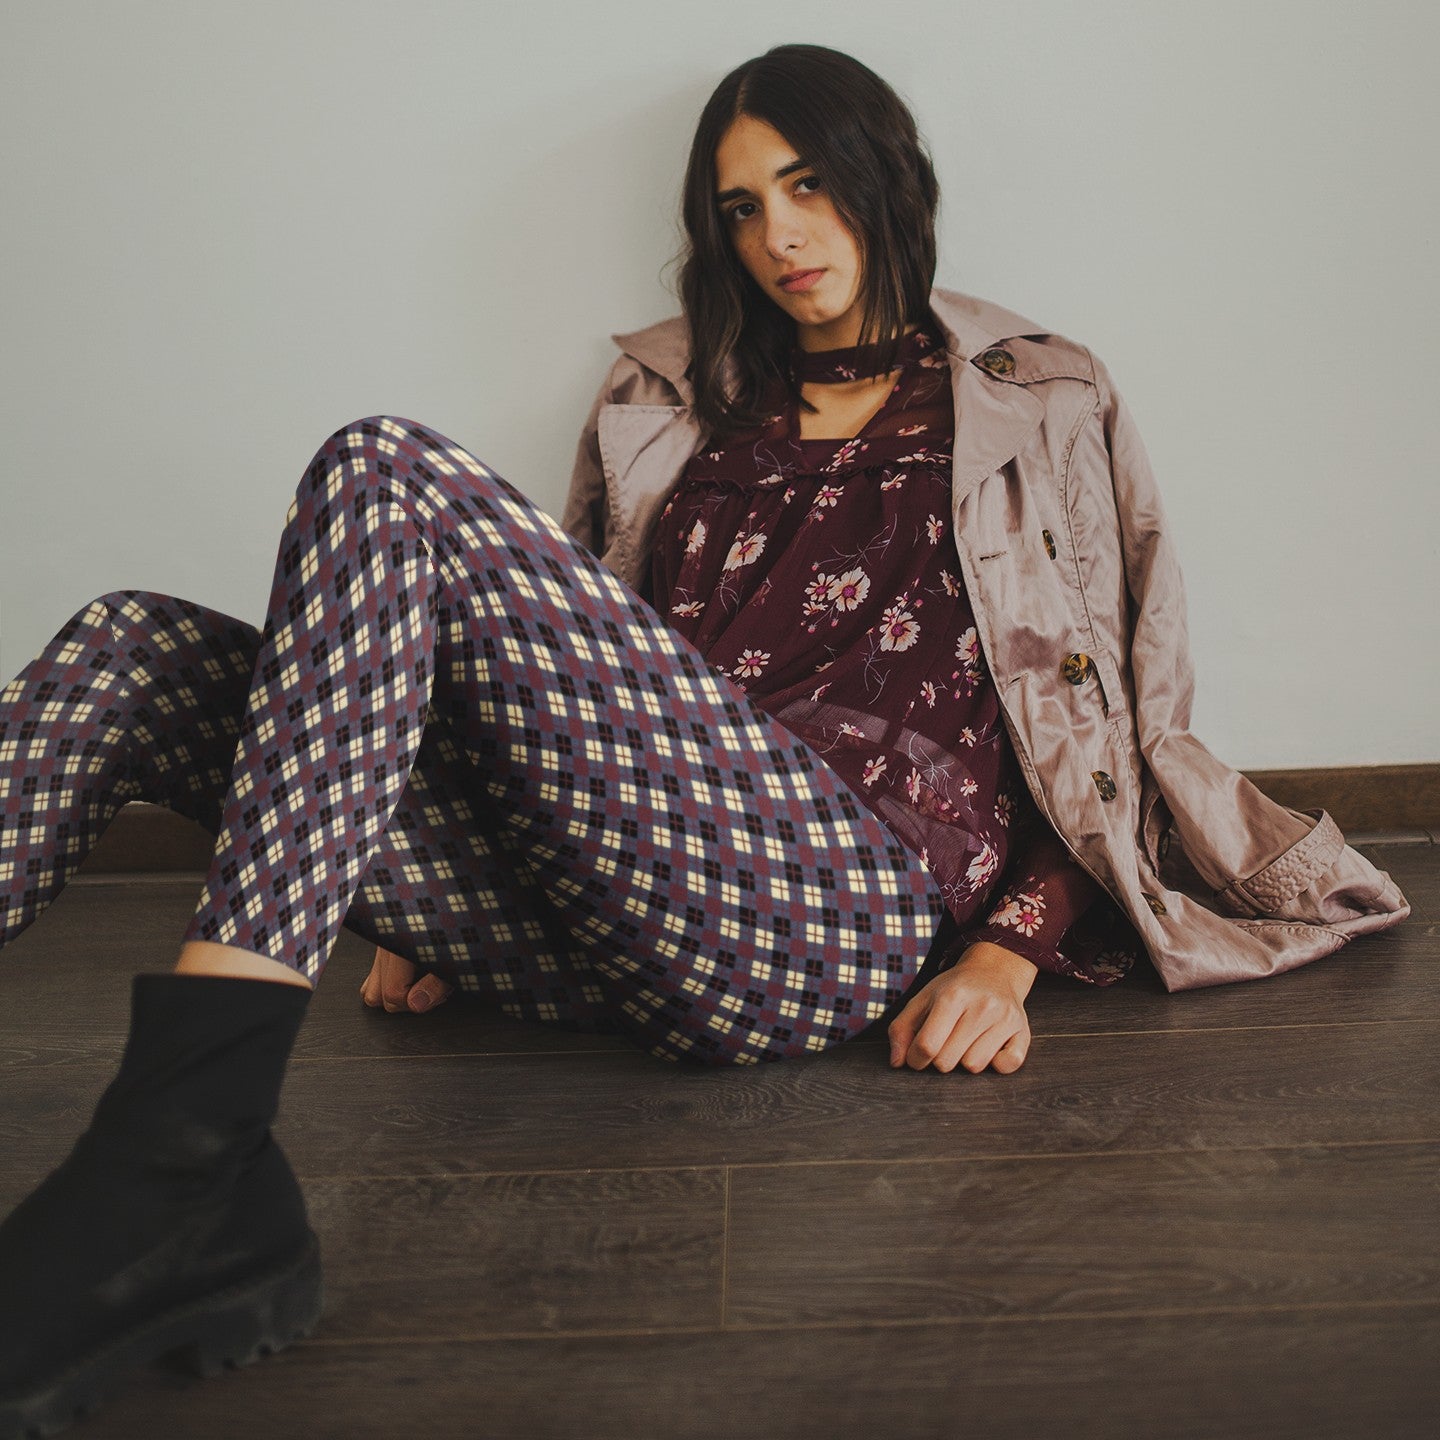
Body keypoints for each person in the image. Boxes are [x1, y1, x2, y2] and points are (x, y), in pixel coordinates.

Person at [0, 41, 1409, 1440]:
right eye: (742, 207)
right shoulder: (672, 406)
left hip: (828, 905)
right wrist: (381, 848)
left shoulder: (1039, 396)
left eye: (807, 184)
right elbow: (539, 665)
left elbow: (1113, 720)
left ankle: (172, 1165)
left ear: (887, 178)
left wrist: (1007, 951)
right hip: (625, 891)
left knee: (385, 468)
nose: (780, 234)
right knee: (128, 645)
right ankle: (194, 1177)